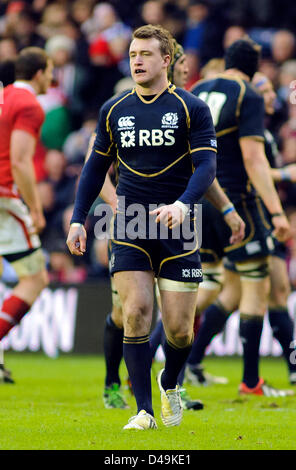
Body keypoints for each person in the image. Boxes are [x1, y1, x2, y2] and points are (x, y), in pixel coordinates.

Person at [67, 24, 219, 430]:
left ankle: (169, 380)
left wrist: (185, 205)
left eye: (146, 54)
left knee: (180, 331)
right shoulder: (114, 109)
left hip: (180, 227)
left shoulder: (191, 108)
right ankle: (144, 412)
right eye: (133, 53)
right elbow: (94, 168)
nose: (136, 60)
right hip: (130, 223)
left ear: (166, 60)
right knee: (134, 312)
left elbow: (207, 166)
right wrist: (79, 219)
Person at [188, 39, 293, 397]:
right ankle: (251, 381)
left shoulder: (198, 89)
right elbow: (253, 159)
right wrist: (276, 212)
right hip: (237, 202)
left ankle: (168, 352)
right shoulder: (245, 93)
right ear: (255, 67)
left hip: (199, 201)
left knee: (219, 289)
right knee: (255, 289)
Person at [0, 47, 52, 382]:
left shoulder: (4, 96)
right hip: (4, 198)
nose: (52, 78)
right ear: (38, 72)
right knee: (36, 278)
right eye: (49, 71)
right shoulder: (29, 105)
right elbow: (19, 161)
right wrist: (35, 207)